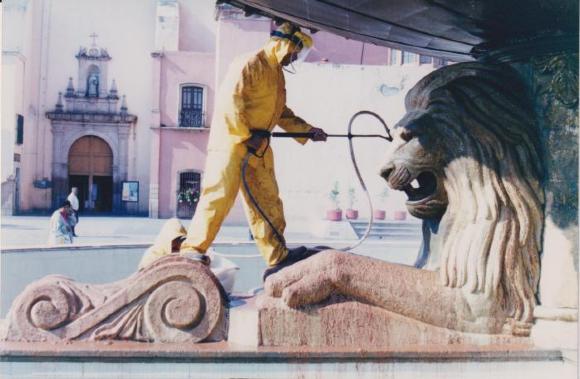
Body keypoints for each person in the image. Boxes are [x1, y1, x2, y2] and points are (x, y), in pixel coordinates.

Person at [179, 22, 327, 277]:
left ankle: (276, 255)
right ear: (285, 44)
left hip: (259, 147)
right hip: (232, 143)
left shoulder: (277, 74)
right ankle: (192, 249)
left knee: (268, 200)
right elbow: (230, 102)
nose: (294, 58)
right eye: (295, 52)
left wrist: (308, 131)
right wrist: (247, 137)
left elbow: (281, 113)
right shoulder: (249, 63)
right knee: (219, 196)